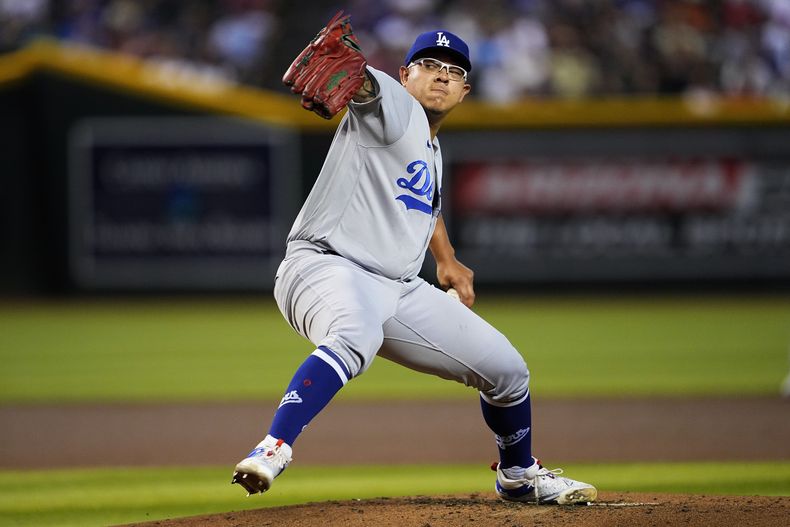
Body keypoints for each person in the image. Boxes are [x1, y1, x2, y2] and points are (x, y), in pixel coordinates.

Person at [231, 24, 597, 505]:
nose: (441, 77)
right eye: (430, 66)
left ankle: (519, 474)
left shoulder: (430, 146)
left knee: (507, 370)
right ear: (405, 75)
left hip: (399, 287)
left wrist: (446, 261)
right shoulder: (393, 104)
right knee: (355, 335)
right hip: (324, 266)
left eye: (454, 72)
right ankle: (273, 447)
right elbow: (364, 85)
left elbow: (427, 207)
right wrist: (360, 80)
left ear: (465, 91)